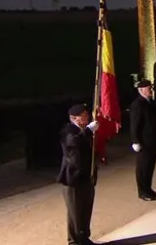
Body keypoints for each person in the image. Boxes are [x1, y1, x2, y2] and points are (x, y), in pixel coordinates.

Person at [57, 103, 99, 245]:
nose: (87, 117)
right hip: (72, 178)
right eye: (84, 115)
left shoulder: (85, 131)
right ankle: (74, 241)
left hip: (87, 176)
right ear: (74, 118)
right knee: (75, 212)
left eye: (87, 114)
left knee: (86, 210)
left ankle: (84, 237)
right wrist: (87, 131)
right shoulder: (68, 130)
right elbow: (73, 142)